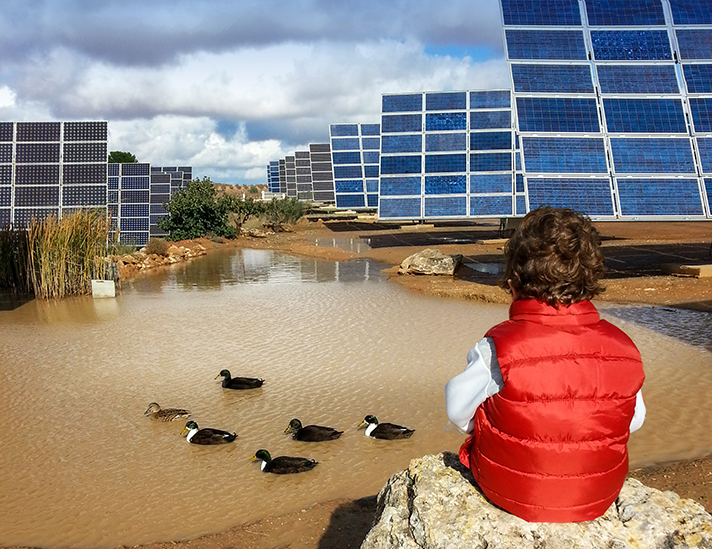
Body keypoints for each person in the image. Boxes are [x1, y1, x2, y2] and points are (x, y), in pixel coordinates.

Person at [445, 206, 645, 523]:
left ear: (513, 285)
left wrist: (492, 426)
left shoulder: (500, 346)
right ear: (590, 282)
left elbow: (457, 410)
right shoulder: (624, 348)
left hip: (511, 492)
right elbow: (633, 420)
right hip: (598, 496)